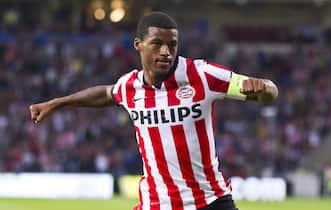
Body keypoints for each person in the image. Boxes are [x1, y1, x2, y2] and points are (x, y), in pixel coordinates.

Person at [30, 12, 278, 210]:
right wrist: (56, 104)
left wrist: (264, 87)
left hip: (210, 201)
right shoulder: (130, 86)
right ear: (138, 45)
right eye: (157, 44)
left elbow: (268, 93)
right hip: (157, 204)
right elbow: (107, 93)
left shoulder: (202, 75)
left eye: (172, 45)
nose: (166, 52)